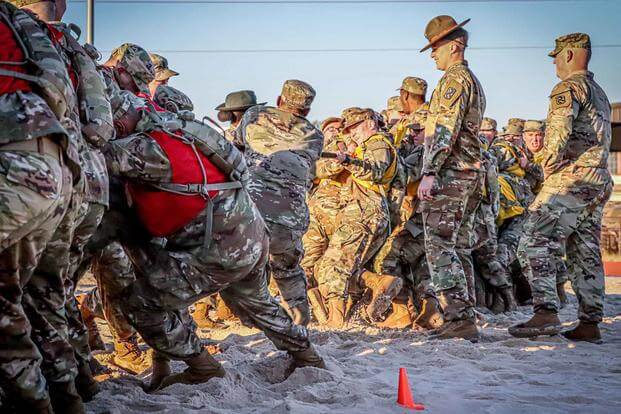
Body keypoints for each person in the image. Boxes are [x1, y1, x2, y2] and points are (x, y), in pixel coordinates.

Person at [105, 91, 324, 392]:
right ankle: (307, 355)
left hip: (216, 248)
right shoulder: (186, 130)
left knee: (141, 302)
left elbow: (90, 161)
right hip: (249, 232)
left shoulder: (144, 147)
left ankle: (202, 367)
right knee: (257, 303)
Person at [0, 1, 82, 412]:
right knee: (19, 300)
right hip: (59, 173)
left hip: (11, 166)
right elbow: (94, 126)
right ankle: (63, 398)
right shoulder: (37, 36)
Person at [511, 33, 612, 342]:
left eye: (556, 55)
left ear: (569, 55)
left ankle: (545, 312)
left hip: (572, 178)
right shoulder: (599, 92)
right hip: (598, 178)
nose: (554, 61)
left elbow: (556, 138)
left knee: (532, 239)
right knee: (586, 250)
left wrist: (545, 164)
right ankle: (590, 322)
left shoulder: (567, 88)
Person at [417, 15, 485, 340]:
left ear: (454, 46)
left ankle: (459, 317)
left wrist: (429, 172)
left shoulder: (454, 81)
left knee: (439, 244)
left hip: (452, 174)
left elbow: (444, 131)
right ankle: (465, 316)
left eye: (436, 47)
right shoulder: (470, 79)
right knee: (458, 246)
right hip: (469, 174)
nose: (433, 54)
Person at [236, 80, 323, 326]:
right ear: (306, 111)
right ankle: (299, 319)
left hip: (252, 211)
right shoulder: (315, 136)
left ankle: (254, 320)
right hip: (291, 216)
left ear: (279, 100)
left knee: (243, 267)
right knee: (287, 268)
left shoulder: (254, 115)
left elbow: (238, 145)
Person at [315, 108, 397, 328]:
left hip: (364, 212)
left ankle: (336, 321)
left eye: (355, 127)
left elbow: (376, 170)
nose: (351, 133)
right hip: (364, 212)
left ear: (370, 123)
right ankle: (378, 282)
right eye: (348, 129)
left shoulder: (377, 143)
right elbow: (320, 169)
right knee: (338, 266)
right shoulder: (365, 145)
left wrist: (348, 160)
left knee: (334, 265)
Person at [370, 108, 444, 329]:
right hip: (435, 221)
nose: (413, 134)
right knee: (422, 265)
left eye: (418, 130)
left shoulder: (425, 152)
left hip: (418, 220)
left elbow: (401, 175)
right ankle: (429, 308)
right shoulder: (446, 152)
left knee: (386, 258)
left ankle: (400, 310)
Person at [302, 117, 345, 322]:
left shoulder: (345, 149)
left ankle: (333, 310)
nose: (335, 132)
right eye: (330, 129)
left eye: (338, 128)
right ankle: (306, 307)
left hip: (340, 214)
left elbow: (333, 167)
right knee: (308, 261)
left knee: (334, 263)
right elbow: (311, 172)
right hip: (315, 215)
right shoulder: (314, 153)